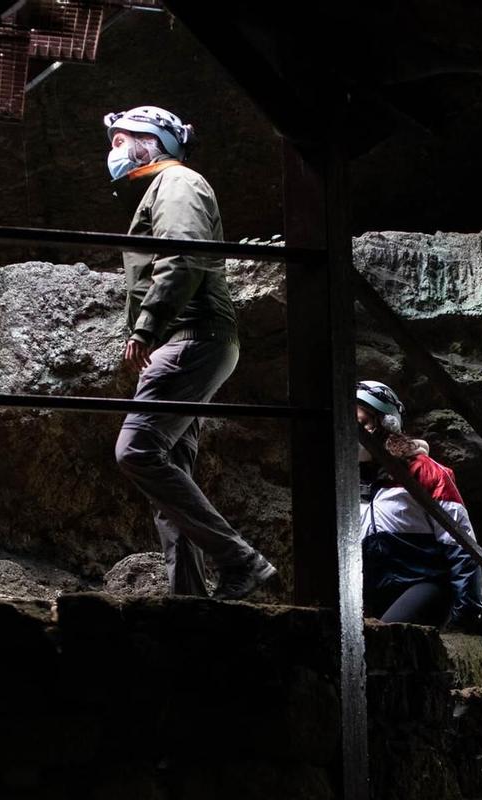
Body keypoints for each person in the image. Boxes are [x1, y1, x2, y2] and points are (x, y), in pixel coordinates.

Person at [104, 104, 276, 600]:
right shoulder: (166, 188)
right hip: (187, 339)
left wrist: (147, 327)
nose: (113, 151)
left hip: (191, 336)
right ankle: (189, 597)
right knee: (168, 471)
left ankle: (241, 560)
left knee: (135, 450)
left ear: (150, 142)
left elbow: (183, 255)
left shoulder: (178, 184)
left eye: (121, 140)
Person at [355, 380, 482, 627]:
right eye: (350, 425)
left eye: (364, 423)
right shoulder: (346, 480)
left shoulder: (425, 473)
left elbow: (461, 544)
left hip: (424, 583)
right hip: (374, 591)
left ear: (387, 423)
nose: (357, 433)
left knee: (381, 638)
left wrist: (465, 611)